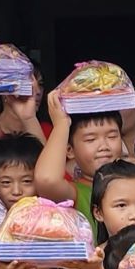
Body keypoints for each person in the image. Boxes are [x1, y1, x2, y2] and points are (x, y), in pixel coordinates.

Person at [35, 89, 124, 231]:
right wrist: (61, 124)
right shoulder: (76, 193)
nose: (103, 146)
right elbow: (47, 180)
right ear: (70, 150)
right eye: (91, 139)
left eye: (112, 136)